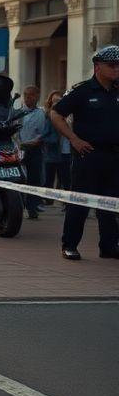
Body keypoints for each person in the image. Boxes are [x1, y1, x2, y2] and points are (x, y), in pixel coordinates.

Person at [48, 45, 119, 261]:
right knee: (80, 202)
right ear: (98, 67)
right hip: (88, 155)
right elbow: (56, 114)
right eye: (112, 66)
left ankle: (109, 246)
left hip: (114, 156)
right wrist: (74, 139)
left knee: (110, 204)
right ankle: (69, 245)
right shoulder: (83, 91)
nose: (117, 69)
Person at [17, 86, 48, 219]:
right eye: (26, 95)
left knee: (34, 179)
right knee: (19, 178)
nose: (28, 98)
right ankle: (18, 205)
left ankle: (32, 207)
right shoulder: (19, 113)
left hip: (34, 150)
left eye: (31, 95)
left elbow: (42, 133)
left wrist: (35, 142)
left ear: (37, 97)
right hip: (20, 149)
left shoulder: (41, 113)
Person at [43, 90, 70, 195]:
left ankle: (67, 202)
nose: (56, 104)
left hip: (67, 152)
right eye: (54, 101)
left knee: (66, 179)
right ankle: (48, 199)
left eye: (59, 101)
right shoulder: (48, 117)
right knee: (49, 178)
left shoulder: (69, 116)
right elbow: (45, 134)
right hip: (53, 152)